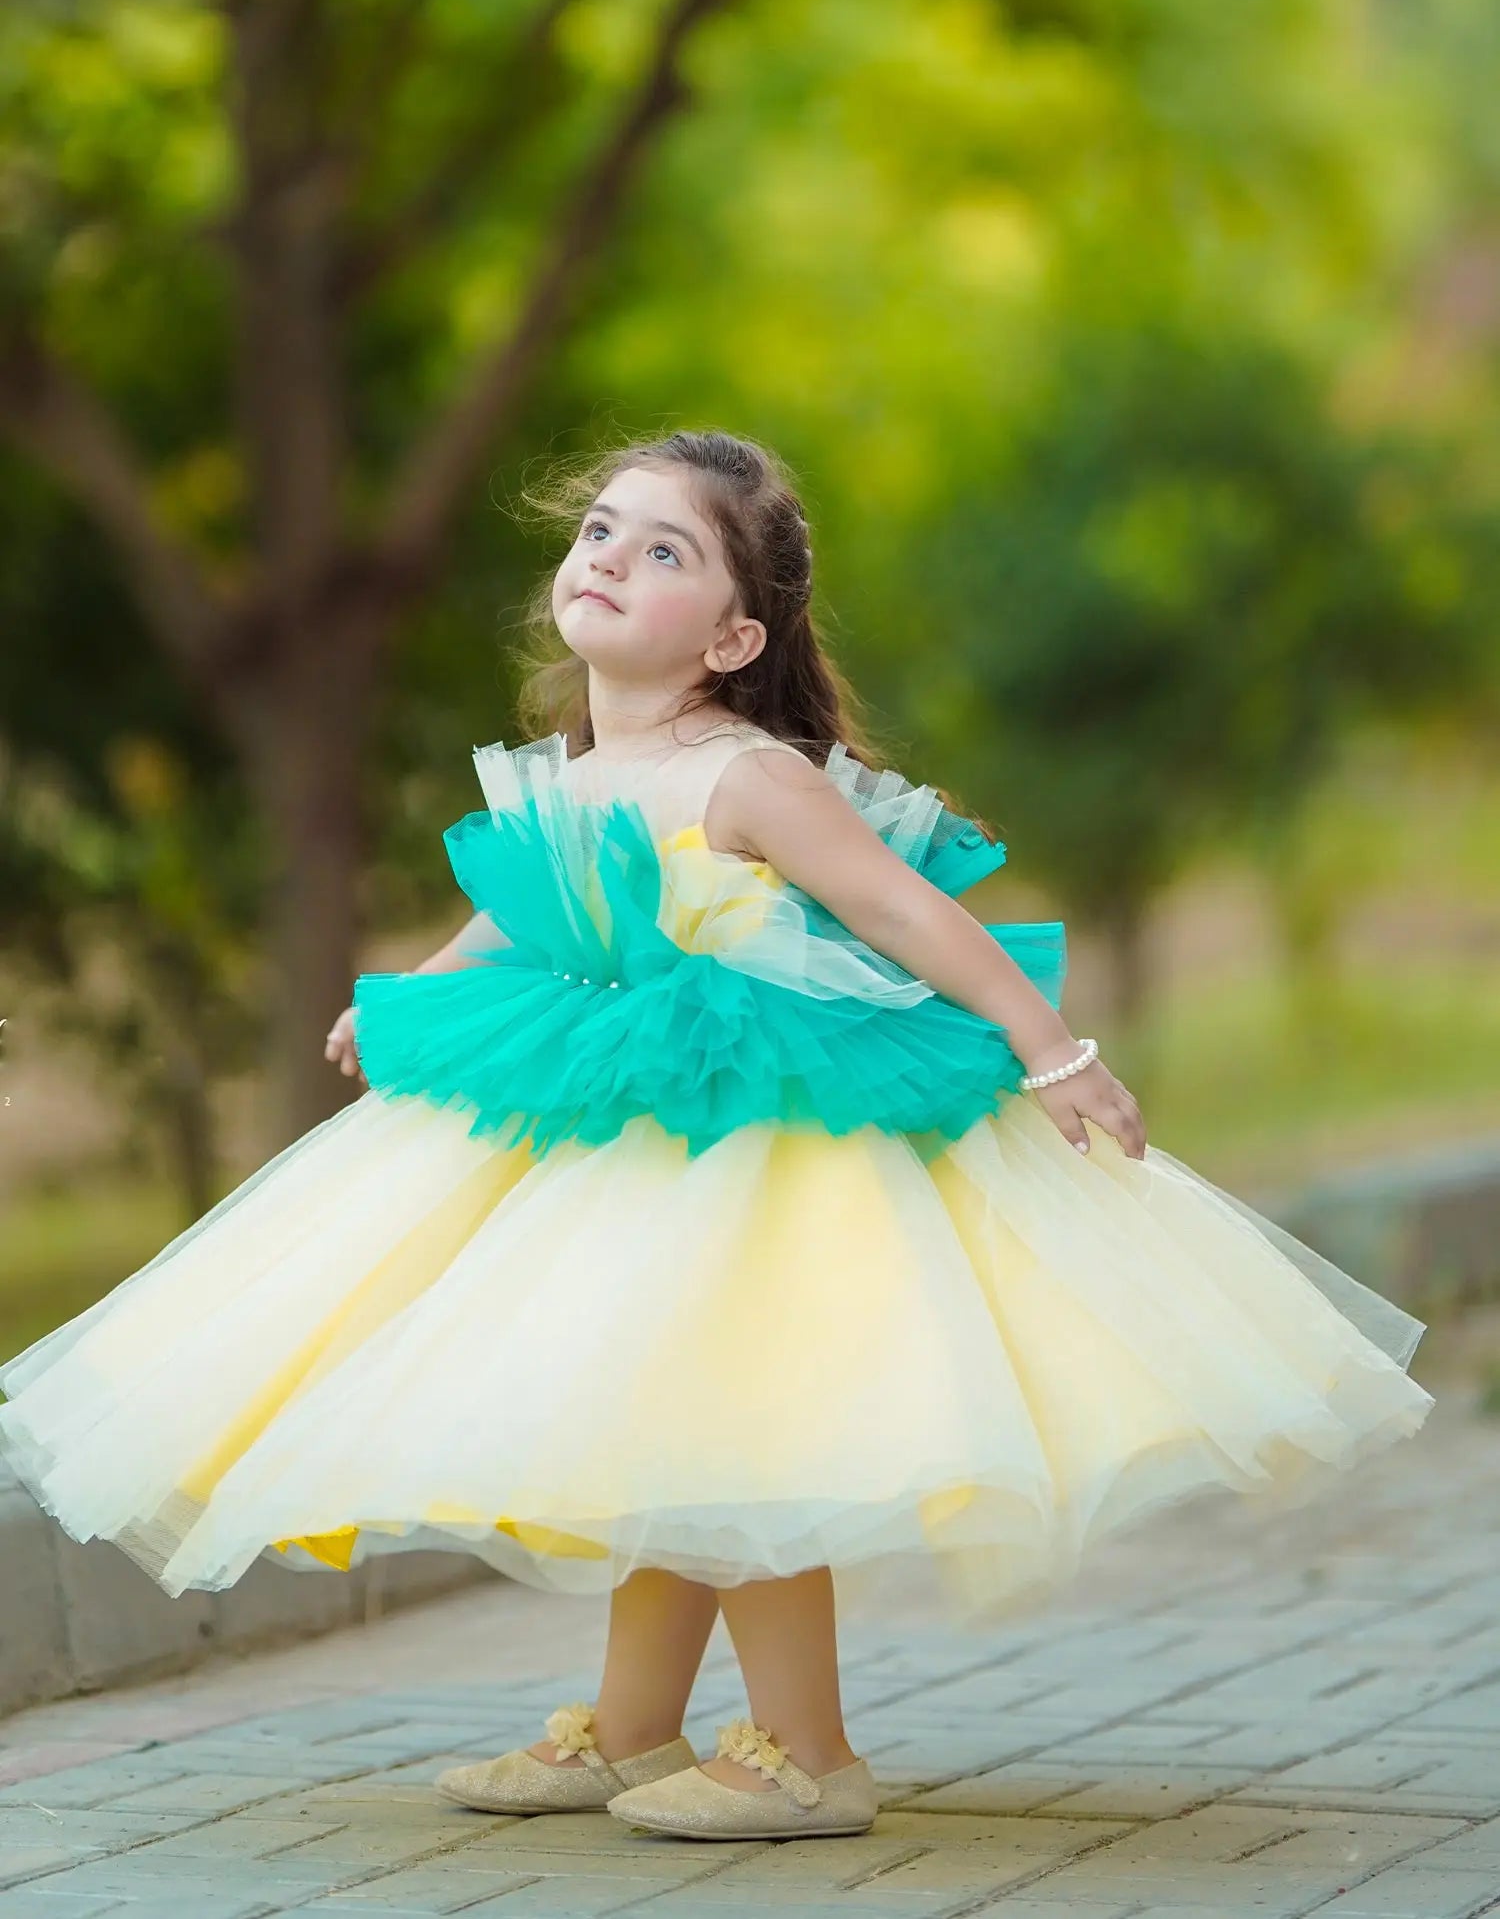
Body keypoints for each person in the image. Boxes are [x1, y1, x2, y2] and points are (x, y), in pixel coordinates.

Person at [0, 429, 1435, 1844]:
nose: (610, 556)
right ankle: (633, 1725)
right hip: (614, 1138)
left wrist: (1053, 1052)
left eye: (664, 548)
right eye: (599, 531)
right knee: (659, 1412)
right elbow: (527, 910)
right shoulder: (570, 774)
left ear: (736, 637)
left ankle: (810, 1752)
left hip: (756, 1140)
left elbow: (905, 914)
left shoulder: (745, 775)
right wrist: (416, 1005)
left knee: (743, 1412)